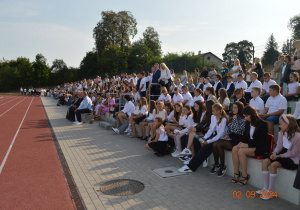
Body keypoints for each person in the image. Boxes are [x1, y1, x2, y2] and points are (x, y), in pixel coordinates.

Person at [178, 103, 229, 173]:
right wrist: (205, 138)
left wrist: (208, 141)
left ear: (219, 111)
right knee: (196, 140)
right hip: (214, 136)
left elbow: (220, 135)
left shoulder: (224, 119)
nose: (212, 112)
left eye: (214, 111)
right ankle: (198, 160)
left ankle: (191, 167)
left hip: (221, 138)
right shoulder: (213, 117)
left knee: (206, 147)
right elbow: (211, 129)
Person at [259, 114, 300, 200]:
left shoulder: (297, 136)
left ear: (288, 124)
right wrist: (274, 153)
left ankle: (271, 191)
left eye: (281, 124)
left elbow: (294, 153)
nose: (280, 126)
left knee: (274, 165)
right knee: (265, 162)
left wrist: (279, 156)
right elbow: (279, 146)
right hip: (282, 153)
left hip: (291, 158)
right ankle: (265, 188)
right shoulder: (282, 133)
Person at [231, 105, 269, 185]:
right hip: (251, 145)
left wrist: (247, 145)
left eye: (247, 116)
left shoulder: (263, 124)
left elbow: (262, 142)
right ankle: (237, 173)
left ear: (252, 115)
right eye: (244, 116)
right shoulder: (248, 123)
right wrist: (242, 143)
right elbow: (246, 137)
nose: (245, 118)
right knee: (235, 148)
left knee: (241, 151)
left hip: (260, 148)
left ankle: (245, 176)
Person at [211, 102, 246, 177]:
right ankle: (217, 164)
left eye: (235, 107)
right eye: (232, 107)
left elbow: (238, 130)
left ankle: (223, 165)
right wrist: (227, 134)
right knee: (215, 144)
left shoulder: (243, 118)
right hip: (231, 136)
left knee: (219, 145)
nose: (233, 109)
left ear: (239, 108)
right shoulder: (233, 117)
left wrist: (235, 120)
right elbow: (230, 129)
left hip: (239, 139)